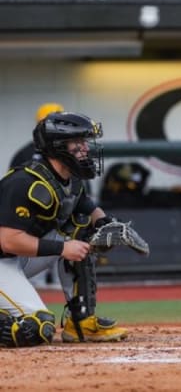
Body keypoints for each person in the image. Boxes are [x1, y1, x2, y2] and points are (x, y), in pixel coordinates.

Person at [0, 112, 129, 347]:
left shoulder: (69, 178)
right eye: (77, 142)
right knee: (36, 328)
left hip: (12, 261)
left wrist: (106, 224)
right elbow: (8, 241)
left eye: (85, 142)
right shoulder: (24, 182)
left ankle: (81, 323)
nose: (85, 149)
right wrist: (62, 248)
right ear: (57, 146)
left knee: (81, 231)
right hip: (5, 255)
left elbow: (86, 208)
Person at [9, 102, 66, 290]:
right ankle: (33, 282)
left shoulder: (69, 151)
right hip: (33, 211)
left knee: (67, 234)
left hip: (59, 208)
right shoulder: (26, 152)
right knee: (33, 240)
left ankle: (59, 282)